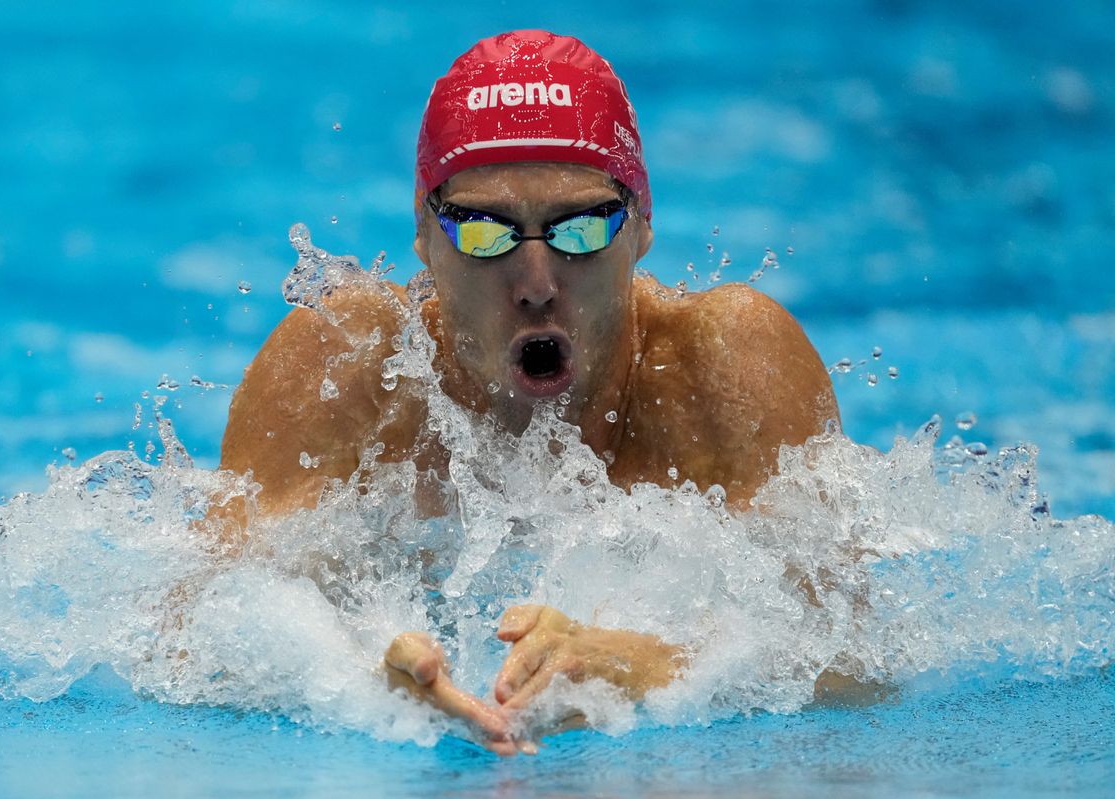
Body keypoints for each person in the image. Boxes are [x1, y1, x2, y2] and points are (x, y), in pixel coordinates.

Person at [216, 30, 839, 754]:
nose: (538, 284)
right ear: (424, 229)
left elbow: (853, 656)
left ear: (640, 225)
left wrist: (647, 665)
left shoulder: (722, 366)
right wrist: (350, 683)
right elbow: (196, 626)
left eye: (580, 229)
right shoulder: (344, 366)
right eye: (486, 232)